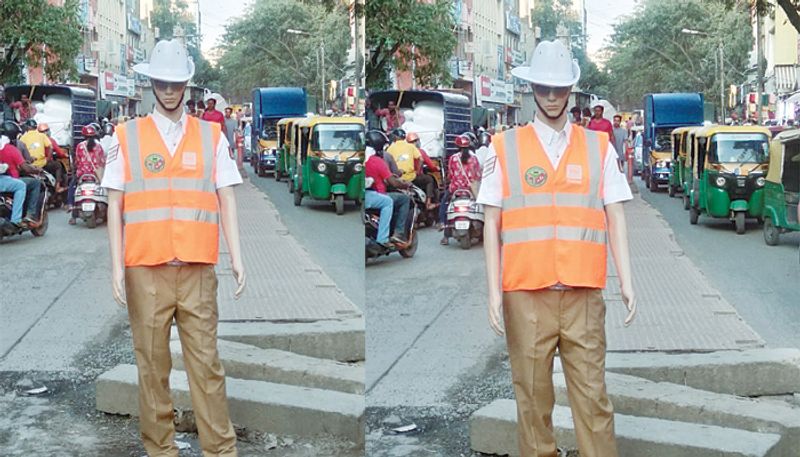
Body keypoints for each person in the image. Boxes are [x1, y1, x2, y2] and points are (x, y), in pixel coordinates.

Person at [480, 39, 637, 457]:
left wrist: (626, 281)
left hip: (584, 295)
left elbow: (616, 213)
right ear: (531, 88)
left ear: (572, 91)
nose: (551, 98)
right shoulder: (503, 147)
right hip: (525, 295)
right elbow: (491, 221)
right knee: (532, 404)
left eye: (559, 89)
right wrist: (493, 293)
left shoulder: (598, 148)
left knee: (593, 401)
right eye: (543, 89)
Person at [101, 39, 245, 457]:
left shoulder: (211, 136)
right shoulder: (124, 136)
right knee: (152, 368)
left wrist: (237, 258)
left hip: (198, 270)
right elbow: (114, 203)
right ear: (151, 83)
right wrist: (116, 268)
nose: (168, 91)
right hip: (144, 270)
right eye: (161, 82)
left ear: (187, 85)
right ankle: (160, 449)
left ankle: (220, 449)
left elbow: (228, 197)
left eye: (176, 83)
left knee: (207, 367)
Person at [365, 130, 412, 244]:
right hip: (376, 194)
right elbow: (394, 182)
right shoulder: (376, 161)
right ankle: (395, 234)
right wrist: (406, 185)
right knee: (404, 199)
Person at [440, 133, 481, 245]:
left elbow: (450, 175)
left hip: (455, 189)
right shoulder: (474, 159)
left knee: (445, 202)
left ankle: (444, 226)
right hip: (470, 190)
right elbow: (477, 176)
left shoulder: (453, 158)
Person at [0, 120, 41, 225]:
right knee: (31, 184)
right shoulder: (11, 149)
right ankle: (23, 217)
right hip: (9, 179)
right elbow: (25, 168)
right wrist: (37, 170)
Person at [386, 129, 436, 210]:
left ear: (394, 137)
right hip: (411, 178)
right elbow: (422, 159)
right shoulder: (411, 147)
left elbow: (387, 163)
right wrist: (417, 172)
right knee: (429, 179)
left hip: (396, 179)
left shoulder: (390, 149)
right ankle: (428, 203)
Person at [68, 123, 106, 225]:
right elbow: (102, 162)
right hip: (95, 175)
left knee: (72, 186)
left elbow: (77, 161)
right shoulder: (99, 146)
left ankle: (71, 209)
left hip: (82, 175)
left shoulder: (80, 146)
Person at [364, 130, 396, 248]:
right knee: (389, 202)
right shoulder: (376, 160)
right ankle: (383, 238)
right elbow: (392, 180)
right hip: (374, 194)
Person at [0, 125, 28, 228]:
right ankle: (16, 219)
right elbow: (24, 165)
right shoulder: (10, 148)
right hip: (7, 178)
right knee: (21, 186)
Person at [38, 122, 69, 191]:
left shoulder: (36, 139)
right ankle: (57, 186)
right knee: (58, 165)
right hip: (45, 163)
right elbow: (59, 152)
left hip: (35, 163)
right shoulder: (50, 140)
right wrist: (65, 155)